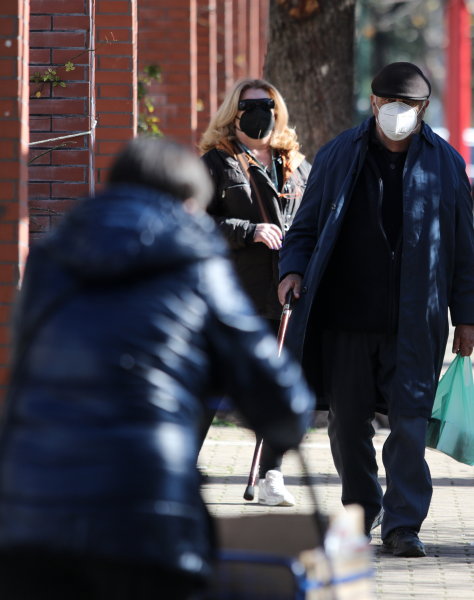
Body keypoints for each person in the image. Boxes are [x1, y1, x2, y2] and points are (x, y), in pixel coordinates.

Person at [0, 138, 313, 600]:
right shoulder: (194, 259)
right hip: (142, 520)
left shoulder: (53, 257)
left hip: (20, 517)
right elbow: (280, 400)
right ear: (189, 205)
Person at [278, 62, 474, 558]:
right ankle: (360, 514)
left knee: (409, 423)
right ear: (372, 103)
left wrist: (467, 315)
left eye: (407, 105)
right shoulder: (337, 155)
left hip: (416, 320)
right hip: (346, 316)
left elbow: (462, 247)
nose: (396, 112)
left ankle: (403, 525)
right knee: (348, 426)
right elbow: (304, 228)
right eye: (388, 102)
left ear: (423, 109)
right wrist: (291, 270)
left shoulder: (445, 163)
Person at [198, 78, 311, 507]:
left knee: (277, 386)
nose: (259, 111)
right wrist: (247, 231)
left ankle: (272, 474)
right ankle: (177, 470)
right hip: (234, 295)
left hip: (284, 297)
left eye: (268, 104)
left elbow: (311, 224)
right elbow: (194, 222)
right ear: (234, 111)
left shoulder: (297, 166)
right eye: (249, 105)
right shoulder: (215, 163)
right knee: (211, 383)